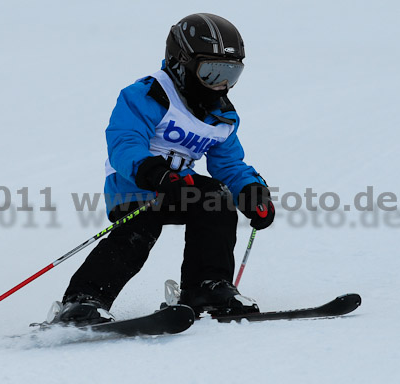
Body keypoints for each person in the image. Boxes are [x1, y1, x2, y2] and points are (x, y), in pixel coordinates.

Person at [51, 13, 275, 325]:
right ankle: (83, 300)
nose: (221, 85)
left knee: (217, 199)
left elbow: (229, 163)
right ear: (181, 62)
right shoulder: (147, 94)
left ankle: (206, 288)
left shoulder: (221, 116)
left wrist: (251, 191)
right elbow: (124, 142)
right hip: (136, 183)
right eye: (211, 72)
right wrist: (154, 173)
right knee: (139, 232)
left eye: (230, 74)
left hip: (181, 186)